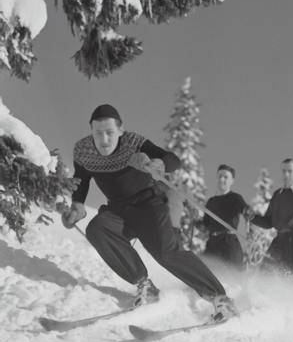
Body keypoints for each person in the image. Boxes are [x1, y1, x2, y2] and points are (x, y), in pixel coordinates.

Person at [61, 104, 237, 321]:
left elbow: (173, 160)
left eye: (109, 132)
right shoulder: (84, 151)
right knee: (97, 229)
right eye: (98, 133)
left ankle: (220, 299)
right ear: (91, 132)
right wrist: (77, 205)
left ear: (121, 130)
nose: (104, 139)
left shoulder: (133, 143)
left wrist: (158, 163)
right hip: (118, 210)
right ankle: (145, 286)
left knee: (166, 253)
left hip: (148, 205)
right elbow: (82, 180)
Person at [201, 164, 250, 270]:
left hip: (229, 244)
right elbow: (206, 223)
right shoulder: (211, 201)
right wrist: (200, 225)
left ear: (232, 181)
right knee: (207, 274)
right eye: (219, 176)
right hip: (212, 243)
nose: (221, 179)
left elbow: (244, 208)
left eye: (225, 177)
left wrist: (248, 211)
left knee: (232, 280)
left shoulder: (236, 198)